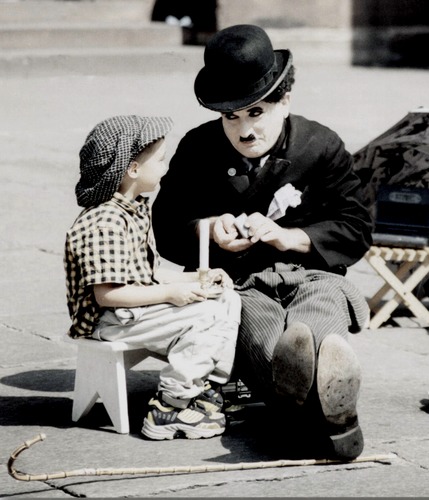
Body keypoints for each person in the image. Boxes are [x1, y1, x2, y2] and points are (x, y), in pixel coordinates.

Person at [152, 25, 373, 460]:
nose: (244, 130)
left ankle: (325, 370)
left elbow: (356, 225)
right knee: (264, 334)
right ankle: (331, 416)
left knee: (317, 318)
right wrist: (209, 228)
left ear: (284, 100)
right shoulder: (197, 149)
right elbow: (166, 224)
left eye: (256, 113)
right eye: (230, 118)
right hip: (238, 283)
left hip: (313, 272)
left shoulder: (321, 145)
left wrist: (293, 238)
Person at [64, 115, 241, 441]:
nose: (164, 166)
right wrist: (171, 294)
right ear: (132, 169)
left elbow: (147, 272)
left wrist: (194, 278)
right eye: (159, 159)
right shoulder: (105, 222)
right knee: (204, 314)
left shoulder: (132, 209)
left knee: (227, 297)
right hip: (108, 320)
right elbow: (108, 295)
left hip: (130, 309)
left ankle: (207, 387)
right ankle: (170, 405)